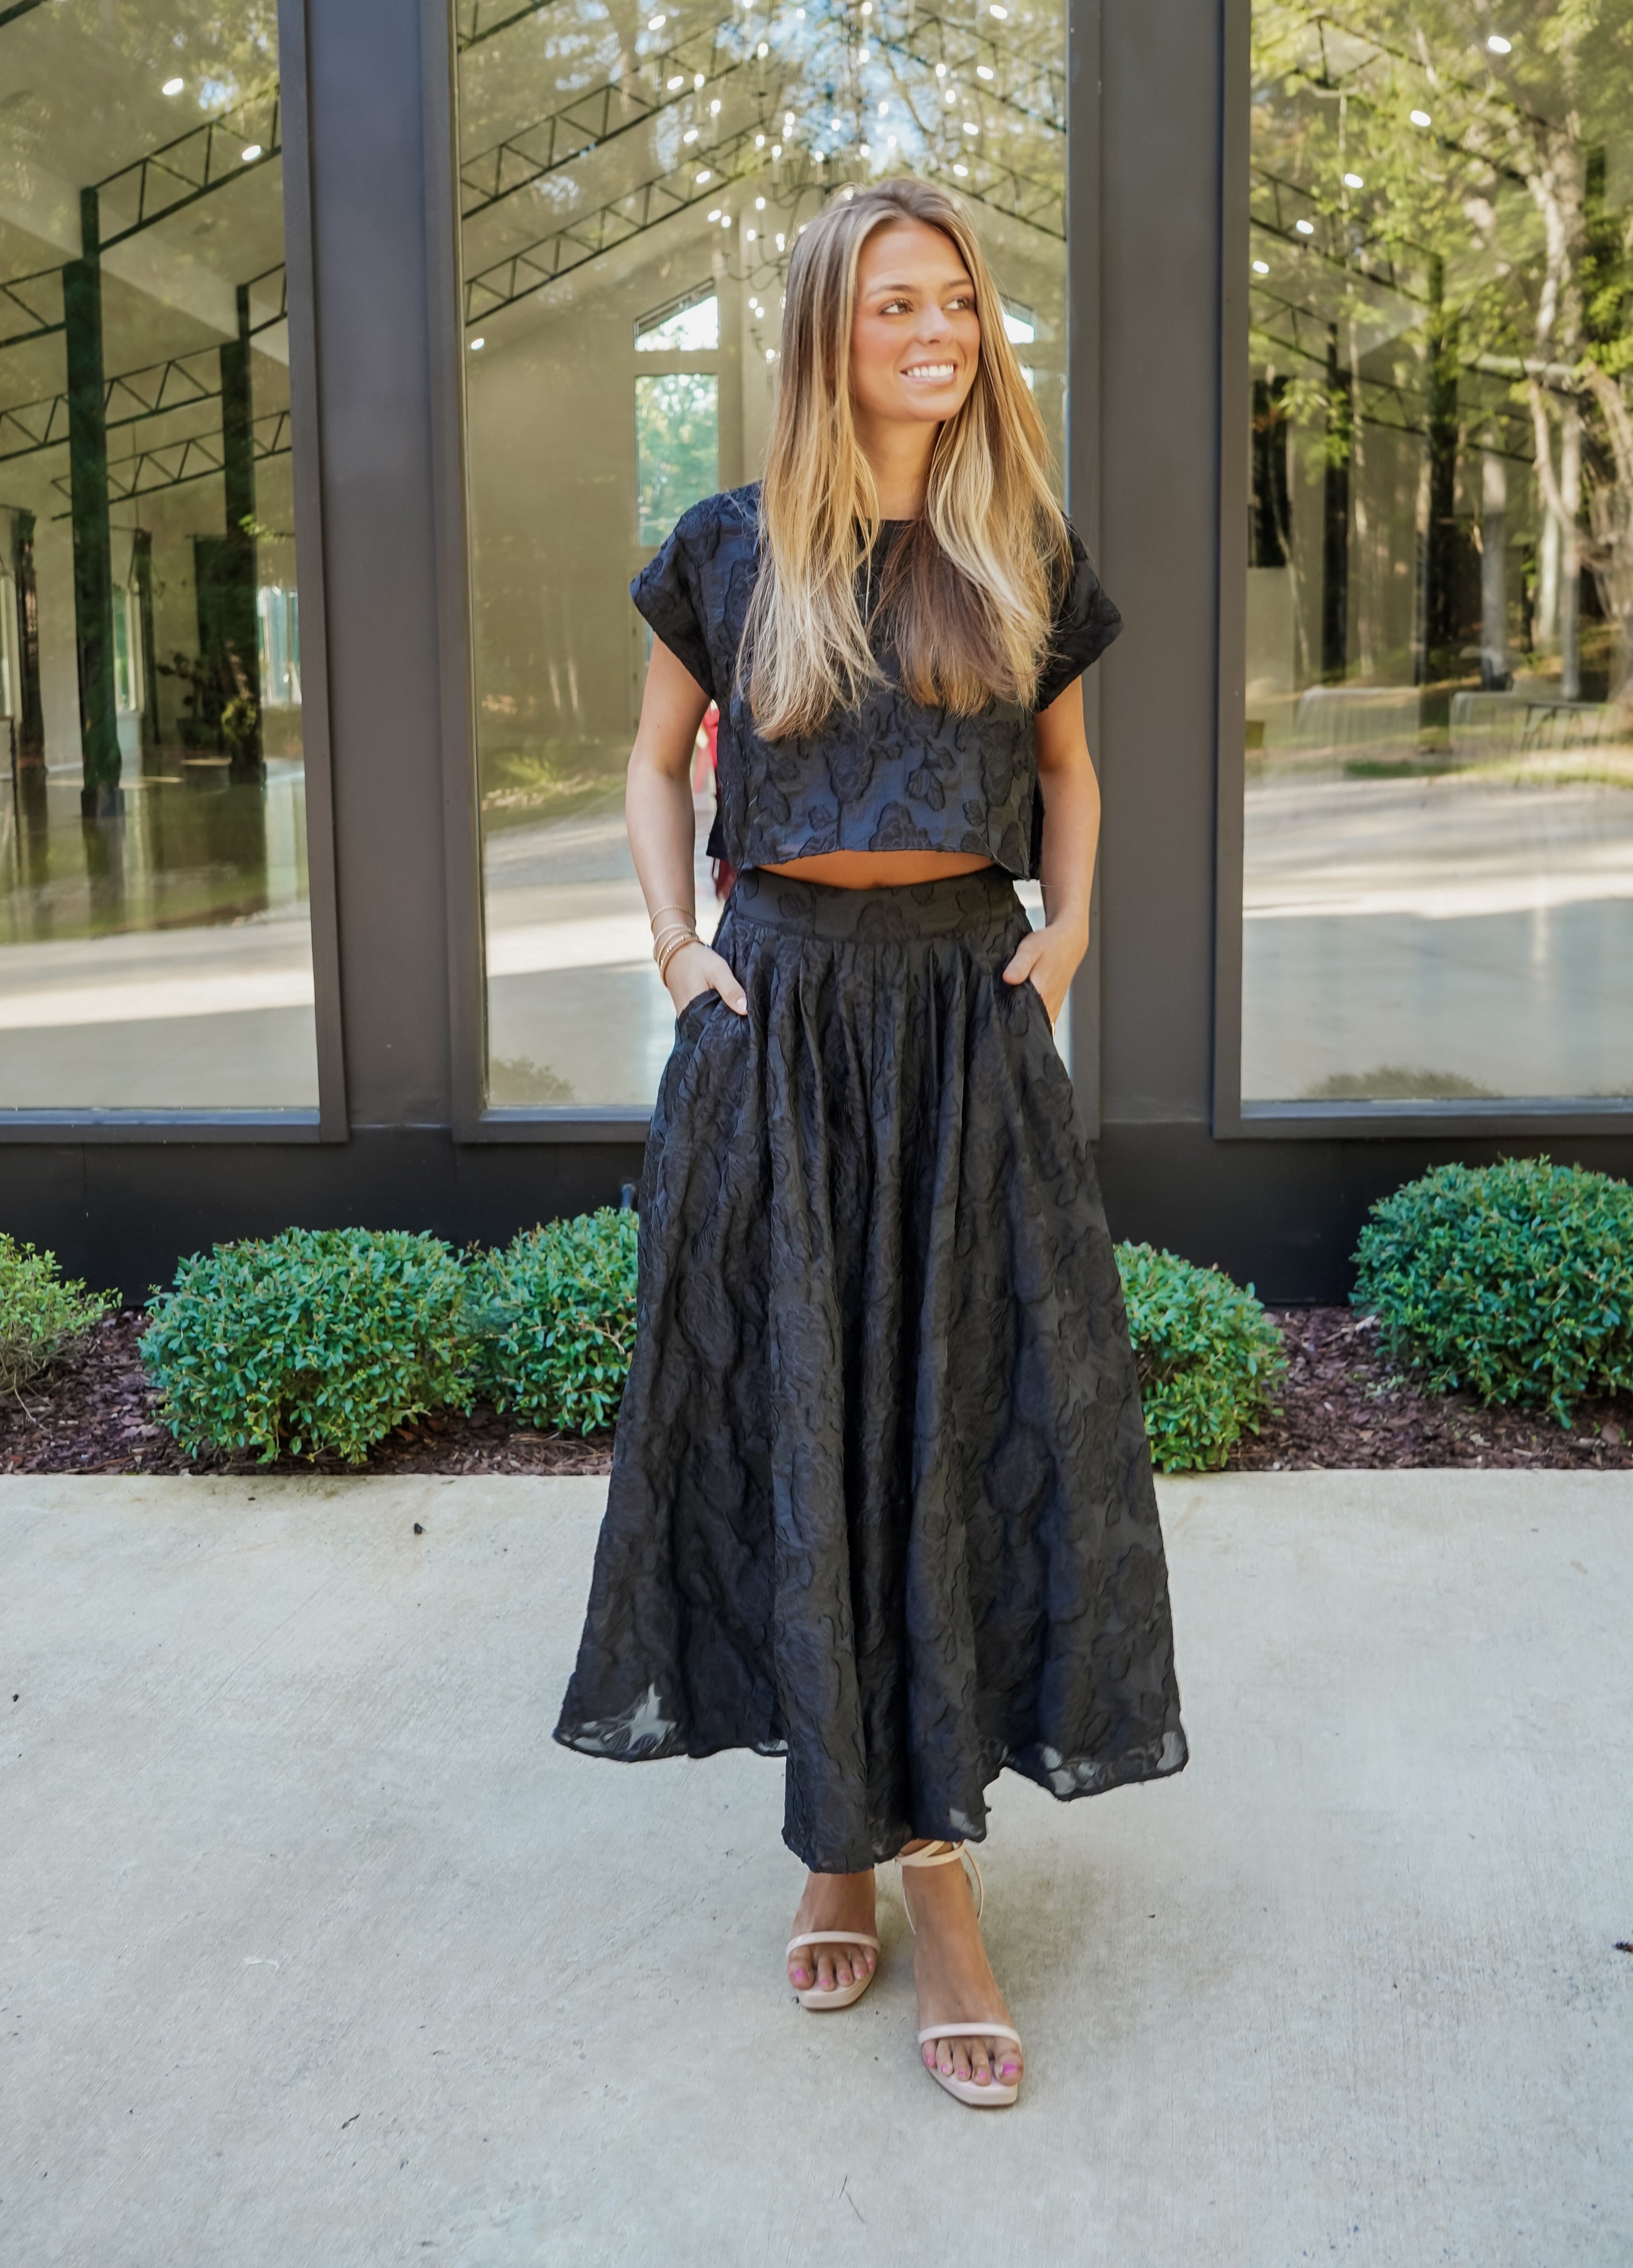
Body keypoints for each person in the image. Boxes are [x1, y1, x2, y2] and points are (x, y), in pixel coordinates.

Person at [556, 175, 1186, 2111]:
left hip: (960, 1022)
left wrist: (1067, 934)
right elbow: (650, 763)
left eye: (960, 303)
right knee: (803, 1426)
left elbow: (1067, 774)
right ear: (827, 327)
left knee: (952, 1424)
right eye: (898, 303)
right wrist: (676, 950)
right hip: (776, 1020)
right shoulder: (728, 547)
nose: (939, 334)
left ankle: (931, 1880)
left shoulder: (1018, 545)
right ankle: (841, 1839)